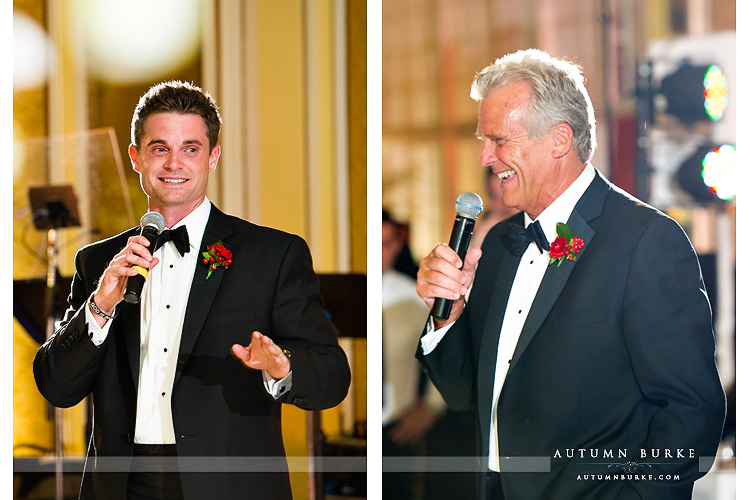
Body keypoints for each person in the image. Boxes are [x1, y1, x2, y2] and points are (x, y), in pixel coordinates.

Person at [415, 49, 725, 500]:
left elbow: (691, 409)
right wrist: (447, 316)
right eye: (483, 139)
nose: (485, 157)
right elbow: (464, 395)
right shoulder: (501, 243)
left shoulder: (644, 241)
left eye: (499, 140)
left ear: (559, 140)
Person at [33, 80, 351, 500]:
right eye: (160, 148)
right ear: (136, 157)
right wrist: (101, 305)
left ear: (213, 157)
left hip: (229, 486)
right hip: (121, 486)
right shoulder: (98, 263)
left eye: (191, 148)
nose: (173, 164)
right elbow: (58, 387)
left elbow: (332, 376)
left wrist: (282, 367)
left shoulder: (272, 255)